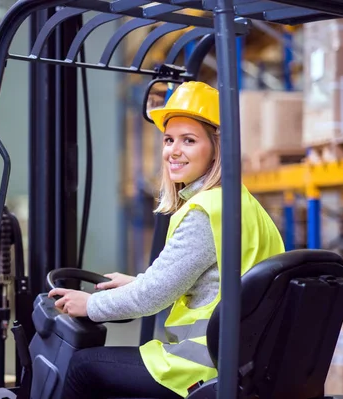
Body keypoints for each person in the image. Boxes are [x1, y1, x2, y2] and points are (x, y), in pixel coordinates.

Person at [48, 81, 285, 399]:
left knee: (81, 367)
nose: (174, 150)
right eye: (169, 139)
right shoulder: (239, 202)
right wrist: (137, 281)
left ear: (217, 147)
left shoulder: (205, 211)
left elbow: (152, 298)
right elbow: (205, 281)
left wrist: (91, 304)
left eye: (189, 140)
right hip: (240, 361)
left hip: (204, 366)